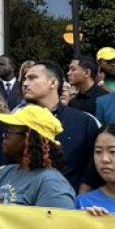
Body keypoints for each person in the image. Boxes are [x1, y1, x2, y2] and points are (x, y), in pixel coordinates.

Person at [0, 105, 75, 211]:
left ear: (30, 138)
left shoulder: (52, 184)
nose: (4, 135)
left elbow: (56, 224)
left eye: (10, 131)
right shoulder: (6, 172)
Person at [18, 62, 98, 191]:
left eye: (32, 78)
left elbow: (94, 166)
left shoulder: (84, 122)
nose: (25, 83)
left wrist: (82, 197)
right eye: (25, 79)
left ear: (53, 83)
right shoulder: (17, 121)